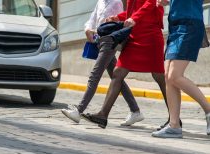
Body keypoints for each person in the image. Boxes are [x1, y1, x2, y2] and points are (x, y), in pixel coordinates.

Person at [81, 0, 172, 129]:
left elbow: (150, 3)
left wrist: (133, 18)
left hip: (151, 35)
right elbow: (132, 11)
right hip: (134, 36)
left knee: (159, 77)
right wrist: (118, 17)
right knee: (118, 73)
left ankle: (174, 119)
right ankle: (102, 115)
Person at [61, 0, 144, 126]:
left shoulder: (116, 3)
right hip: (99, 41)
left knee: (95, 76)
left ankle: (79, 110)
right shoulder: (100, 2)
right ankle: (135, 111)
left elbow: (118, 24)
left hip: (109, 42)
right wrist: (88, 29)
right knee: (116, 78)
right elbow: (92, 18)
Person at [152, 0, 210, 138]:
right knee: (168, 77)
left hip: (189, 24)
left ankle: (208, 110)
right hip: (175, 25)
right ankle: (174, 125)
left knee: (175, 76)